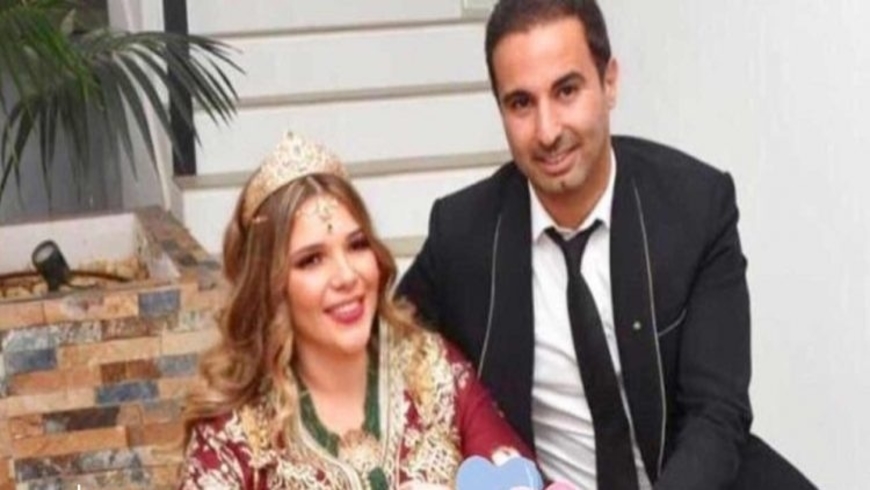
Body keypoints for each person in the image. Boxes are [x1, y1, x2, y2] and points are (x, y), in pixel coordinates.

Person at [397, 0, 815, 489]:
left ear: (609, 82)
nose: (548, 131)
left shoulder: (696, 207)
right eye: (521, 103)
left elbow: (716, 415)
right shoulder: (463, 234)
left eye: (566, 91)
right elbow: (379, 350)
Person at [178, 132, 531, 489]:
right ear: (270, 284)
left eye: (357, 245)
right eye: (311, 260)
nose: (347, 276)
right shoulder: (234, 433)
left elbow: (517, 478)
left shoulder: (430, 370)